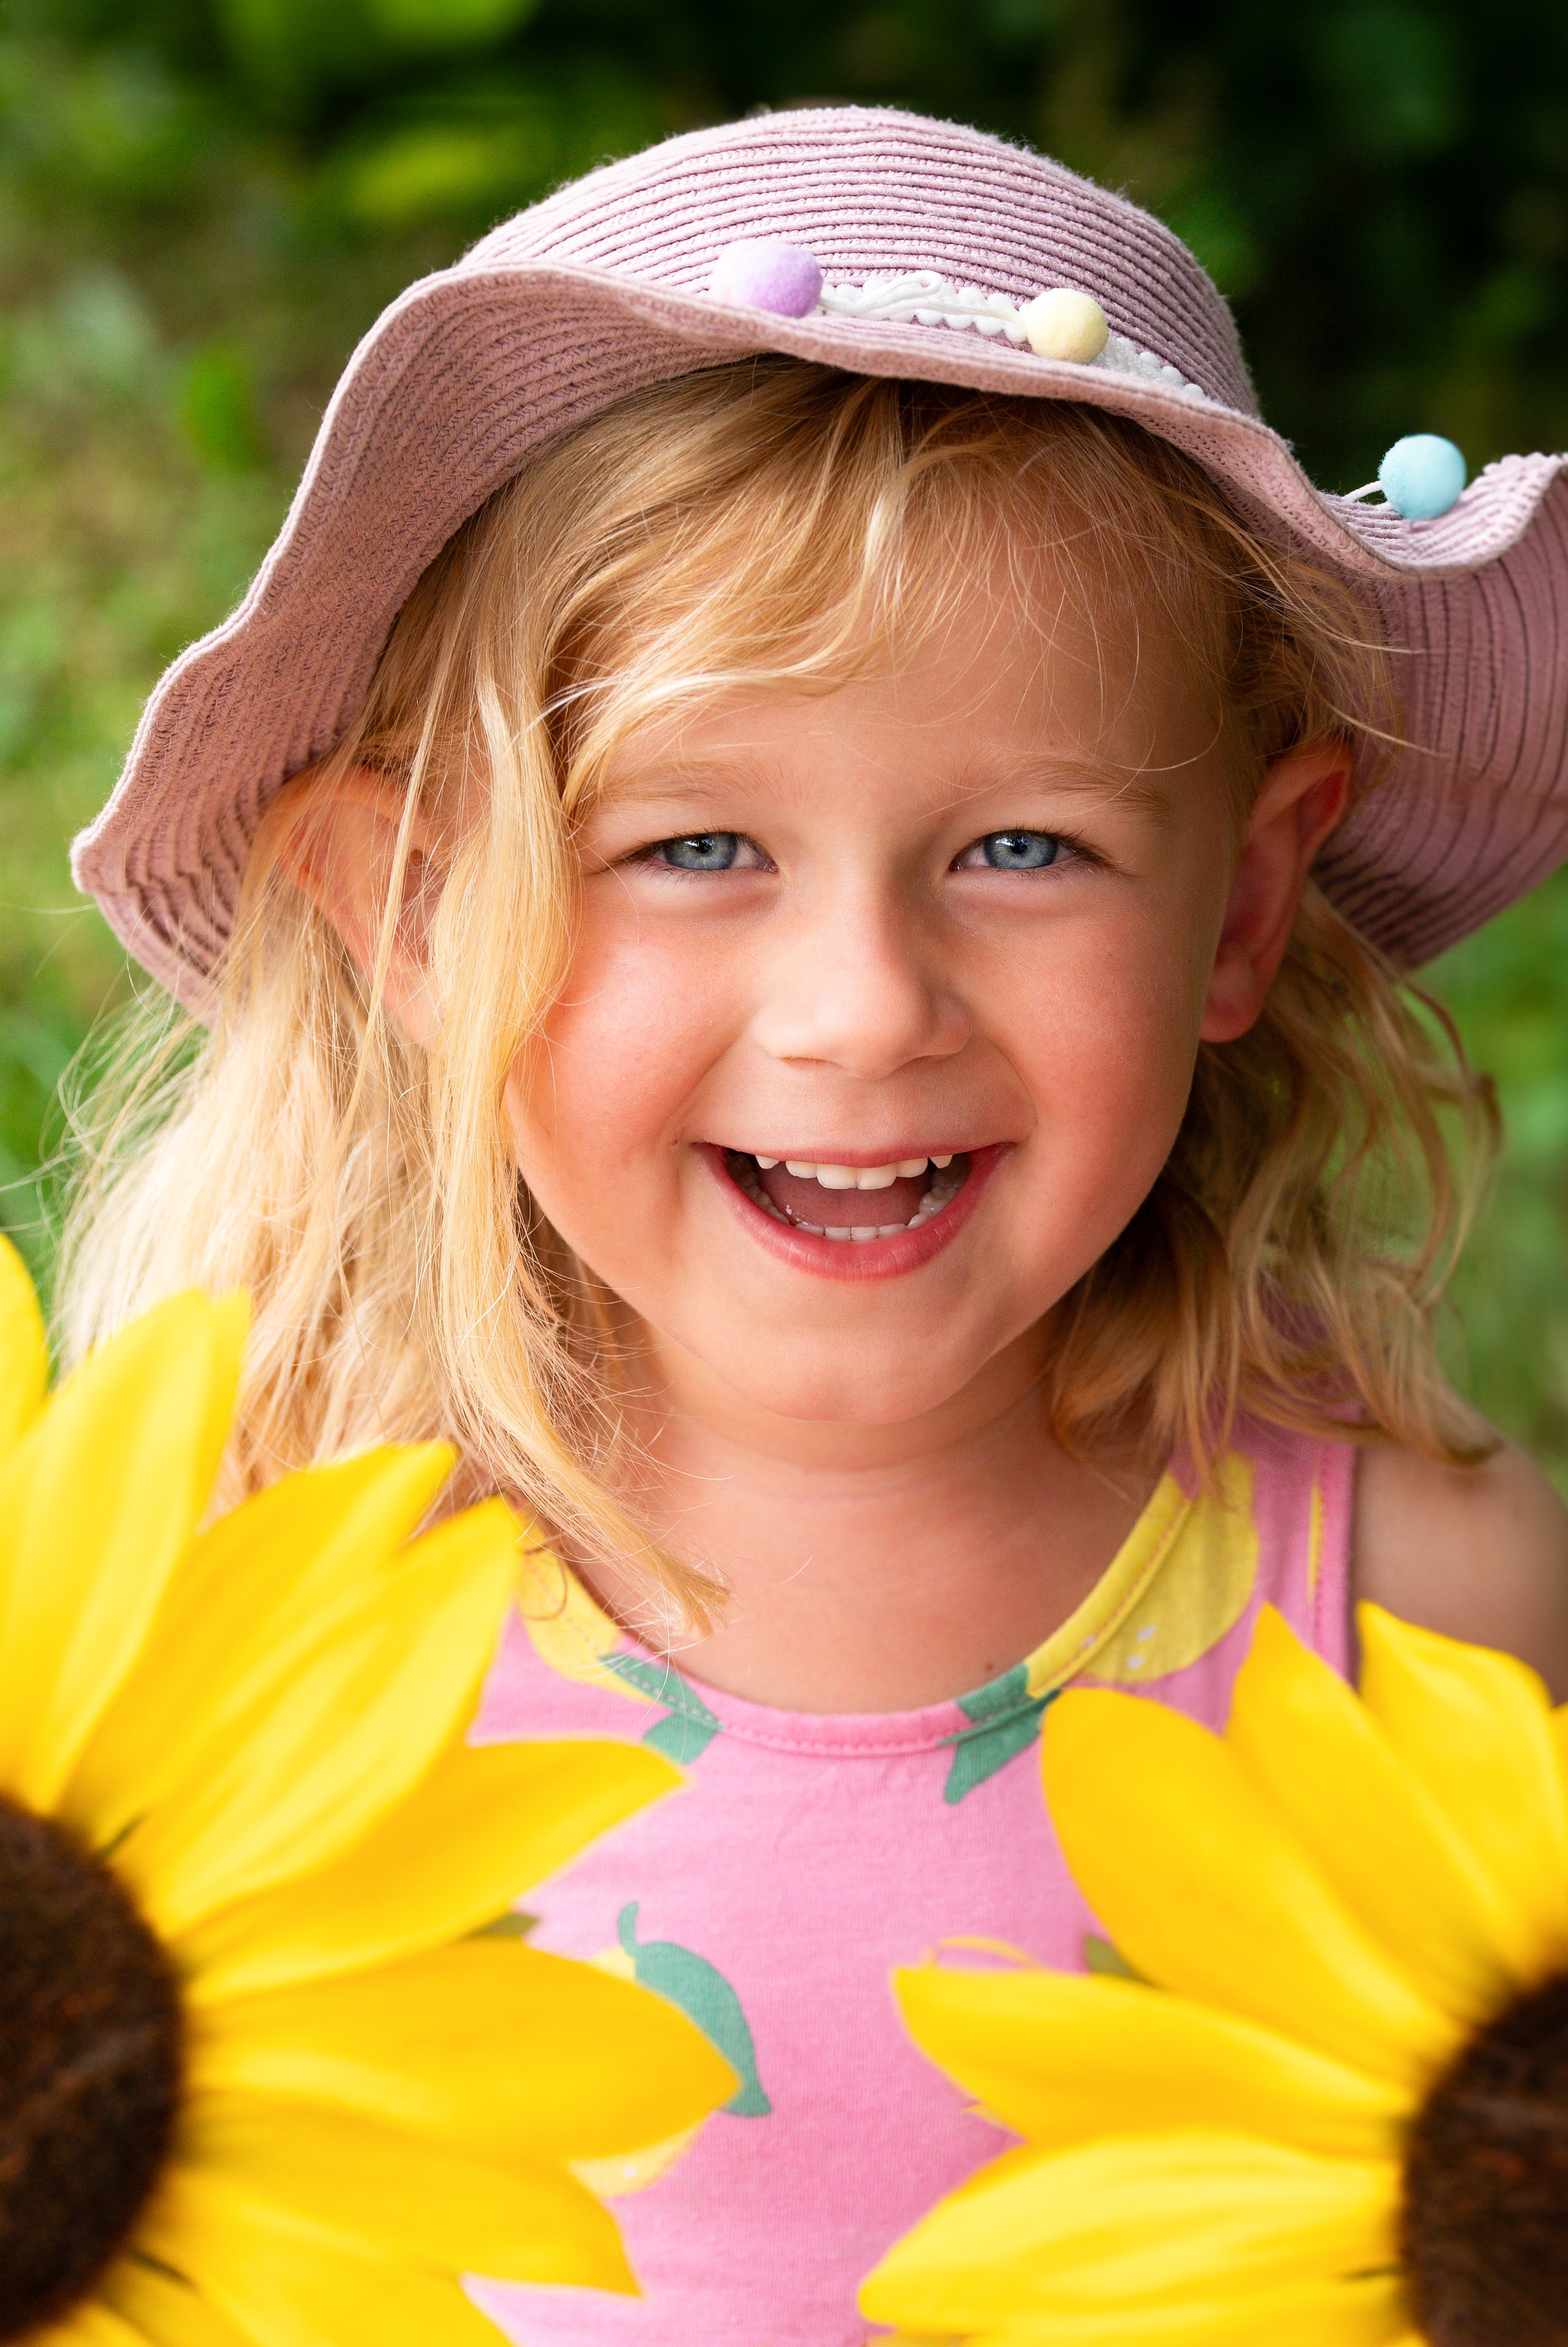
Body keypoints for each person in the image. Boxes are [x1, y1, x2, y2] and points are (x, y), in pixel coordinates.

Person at [63, 105, 1568, 2346]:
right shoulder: (247, 1603)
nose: (864, 1013)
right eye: (692, 848)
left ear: (1244, 904)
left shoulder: (1423, 1611)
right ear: (411, 909)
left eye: (1027, 850)